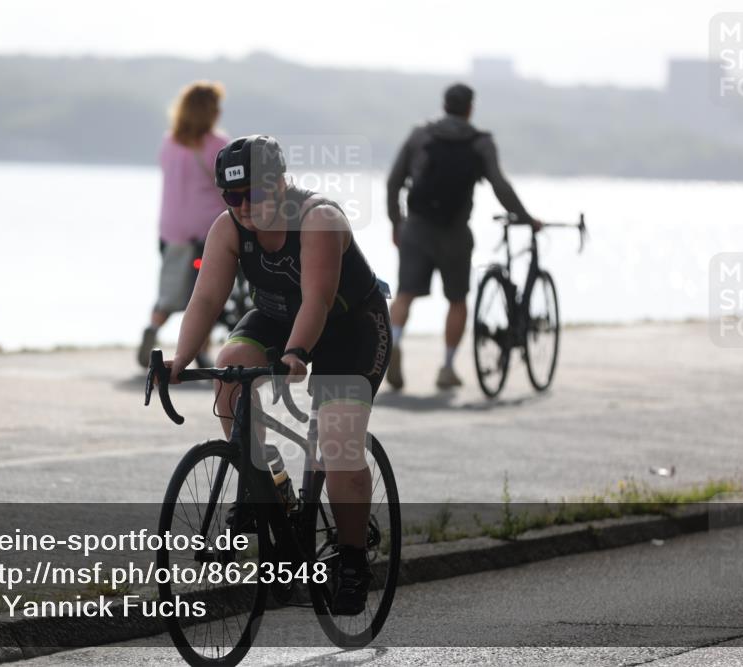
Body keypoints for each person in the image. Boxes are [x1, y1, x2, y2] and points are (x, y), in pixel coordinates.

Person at [166, 135, 391, 615]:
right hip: (276, 316)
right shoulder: (228, 228)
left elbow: (318, 300)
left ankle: (352, 560)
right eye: (233, 197)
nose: (244, 207)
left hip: (349, 328)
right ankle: (271, 485)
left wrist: (296, 354)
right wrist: (182, 358)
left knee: (338, 442)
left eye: (255, 194)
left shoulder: (319, 220)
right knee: (228, 372)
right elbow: (205, 300)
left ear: (281, 182)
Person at [386, 83, 538, 390]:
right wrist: (525, 218)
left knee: (405, 294)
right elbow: (500, 185)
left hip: (416, 227)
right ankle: (447, 366)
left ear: (444, 104)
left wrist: (396, 223)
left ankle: (394, 343)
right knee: (457, 300)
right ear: (470, 108)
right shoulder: (480, 142)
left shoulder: (420, 135)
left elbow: (393, 182)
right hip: (455, 232)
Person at [138, 81, 228, 368]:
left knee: (171, 286)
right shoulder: (217, 145)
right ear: (210, 111)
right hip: (206, 233)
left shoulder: (169, 142)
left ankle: (154, 326)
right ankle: (201, 349)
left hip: (170, 231)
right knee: (207, 293)